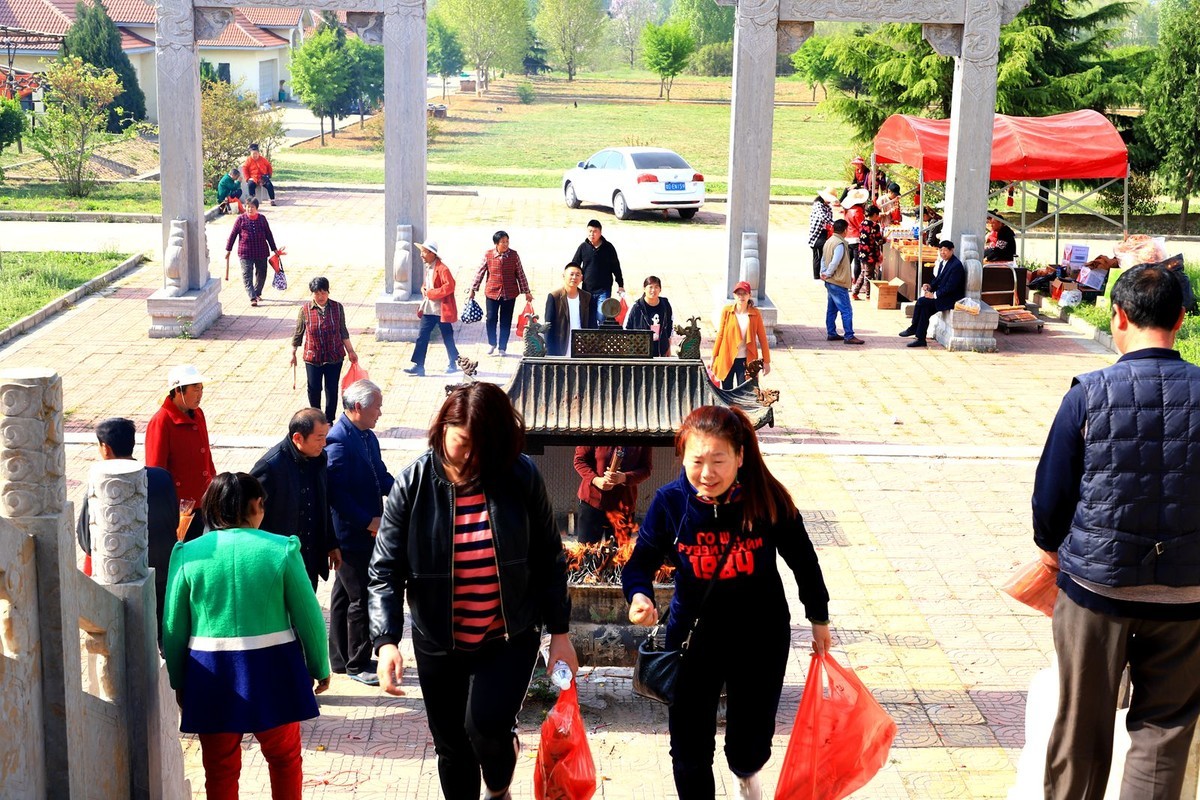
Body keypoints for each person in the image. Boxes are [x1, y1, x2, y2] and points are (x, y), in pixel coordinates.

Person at [1032, 264, 1200, 799]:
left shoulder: (1088, 393)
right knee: (1164, 732)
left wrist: (1050, 548)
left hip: (1096, 590)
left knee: (1081, 724)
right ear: (1180, 319)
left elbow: (1051, 494)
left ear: (1118, 315)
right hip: (1189, 596)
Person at [369, 382, 577, 800]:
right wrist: (386, 640)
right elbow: (384, 569)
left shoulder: (519, 476)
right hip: (437, 638)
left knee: (485, 727)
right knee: (451, 746)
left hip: (508, 634)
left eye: (484, 447)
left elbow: (549, 558)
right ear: (443, 428)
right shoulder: (412, 484)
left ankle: (498, 787)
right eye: (463, 442)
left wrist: (560, 633)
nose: (471, 456)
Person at [623, 405, 831, 800]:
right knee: (688, 751)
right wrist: (639, 595)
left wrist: (818, 617)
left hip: (760, 636)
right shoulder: (670, 503)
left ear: (740, 456)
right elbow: (639, 564)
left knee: (749, 746)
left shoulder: (765, 499)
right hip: (692, 640)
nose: (707, 473)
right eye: (697, 461)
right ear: (682, 457)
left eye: (718, 460)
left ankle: (745, 775)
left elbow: (803, 560)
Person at [163, 472, 330, 799]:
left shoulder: (187, 554)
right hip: (274, 671)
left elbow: (173, 628)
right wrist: (319, 666)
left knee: (219, 767)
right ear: (255, 504)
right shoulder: (281, 549)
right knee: (284, 759)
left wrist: (179, 682)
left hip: (210, 675)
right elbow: (309, 618)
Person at [76, 417, 180, 641]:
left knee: (126, 640)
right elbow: (174, 520)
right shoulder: (162, 477)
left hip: (120, 580)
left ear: (105, 448)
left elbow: (86, 539)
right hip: (164, 572)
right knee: (162, 634)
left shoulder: (100, 485)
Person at [326, 379, 394, 687]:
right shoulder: (338, 442)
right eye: (376, 407)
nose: (380, 412)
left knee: (344, 595)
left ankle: (341, 659)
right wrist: (368, 522)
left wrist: (404, 493)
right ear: (357, 408)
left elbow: (380, 475)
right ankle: (358, 662)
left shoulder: (366, 435)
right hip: (350, 534)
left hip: (365, 529)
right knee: (361, 598)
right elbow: (337, 495)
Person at [250, 408, 342, 590]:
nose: (324, 443)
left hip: (309, 559)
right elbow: (250, 517)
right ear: (298, 438)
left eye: (325, 437)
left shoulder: (319, 458)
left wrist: (331, 543)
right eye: (319, 438)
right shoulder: (270, 467)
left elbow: (323, 504)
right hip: (280, 562)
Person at [146, 364, 216, 541]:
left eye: (201, 389)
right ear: (178, 390)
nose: (200, 394)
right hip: (179, 509)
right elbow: (156, 470)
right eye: (195, 389)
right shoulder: (161, 421)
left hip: (203, 501)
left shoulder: (198, 414)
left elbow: (206, 455)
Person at [290, 276, 359, 423]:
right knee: (314, 389)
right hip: (313, 357)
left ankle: (329, 421)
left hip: (334, 356)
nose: (320, 297)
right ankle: (316, 419)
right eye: (317, 293)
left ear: (328, 292)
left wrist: (351, 351)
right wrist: (293, 353)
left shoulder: (337, 308)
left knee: (331, 388)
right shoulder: (305, 310)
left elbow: (342, 331)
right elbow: (298, 333)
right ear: (312, 294)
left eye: (323, 293)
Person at [469, 230, 534, 356]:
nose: (505, 244)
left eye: (507, 241)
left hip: (509, 294)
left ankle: (502, 347)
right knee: (491, 318)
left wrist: (527, 291)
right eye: (502, 242)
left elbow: (520, 273)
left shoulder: (514, 255)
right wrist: (472, 289)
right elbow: (480, 272)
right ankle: (492, 343)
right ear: (496, 244)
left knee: (506, 321)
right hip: (492, 293)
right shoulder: (488, 255)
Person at [572, 445, 653, 544]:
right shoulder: (594, 434)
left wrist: (624, 478)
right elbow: (579, 460)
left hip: (623, 505)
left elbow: (646, 469)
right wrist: (595, 480)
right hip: (592, 503)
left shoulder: (641, 440)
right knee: (587, 550)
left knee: (620, 552)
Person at [405, 240, 461, 377]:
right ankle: (419, 366)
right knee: (422, 336)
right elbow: (428, 284)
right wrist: (423, 288)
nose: (421, 255)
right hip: (429, 309)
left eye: (424, 252)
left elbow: (450, 286)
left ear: (432, 253)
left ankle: (453, 362)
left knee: (447, 336)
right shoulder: (429, 266)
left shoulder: (443, 269)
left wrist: (431, 293)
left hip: (441, 310)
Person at [899, 239, 965, 348]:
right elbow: (938, 279)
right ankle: (920, 339)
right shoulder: (943, 262)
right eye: (940, 250)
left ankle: (914, 328)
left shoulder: (956, 265)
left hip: (950, 298)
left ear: (951, 250)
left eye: (945, 250)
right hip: (942, 296)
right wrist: (930, 286)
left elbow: (951, 287)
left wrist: (934, 295)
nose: (942, 253)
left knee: (921, 301)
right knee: (924, 309)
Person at [711, 281, 772, 388]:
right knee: (727, 391)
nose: (741, 297)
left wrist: (766, 361)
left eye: (744, 293)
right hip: (727, 358)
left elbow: (762, 339)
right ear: (734, 295)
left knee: (745, 390)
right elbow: (720, 335)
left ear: (749, 295)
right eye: (738, 294)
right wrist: (713, 357)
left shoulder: (755, 314)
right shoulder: (727, 311)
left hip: (746, 360)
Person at [224, 197, 279, 307]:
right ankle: (252, 297)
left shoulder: (262, 219)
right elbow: (233, 235)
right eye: (248, 207)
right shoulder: (240, 219)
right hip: (245, 252)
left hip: (261, 251)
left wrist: (274, 249)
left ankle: (257, 293)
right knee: (247, 274)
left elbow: (269, 234)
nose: (250, 209)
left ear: (257, 208)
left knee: (262, 273)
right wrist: (228, 250)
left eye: (252, 207)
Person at [820, 221, 864, 346]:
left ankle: (831, 332)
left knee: (832, 309)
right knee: (846, 310)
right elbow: (835, 262)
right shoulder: (839, 243)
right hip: (838, 281)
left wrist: (823, 272)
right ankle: (849, 335)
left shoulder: (829, 241)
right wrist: (828, 273)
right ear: (845, 230)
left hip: (830, 281)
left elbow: (823, 259)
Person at [571, 219, 624, 320]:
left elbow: (616, 267)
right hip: (587, 289)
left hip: (604, 290)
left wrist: (620, 285)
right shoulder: (583, 247)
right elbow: (574, 265)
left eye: (595, 231)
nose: (592, 234)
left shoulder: (608, 248)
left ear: (600, 232)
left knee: (601, 315)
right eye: (590, 231)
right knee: (588, 317)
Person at [544, 263, 596, 357]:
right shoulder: (554, 297)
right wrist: (549, 352)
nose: (574, 277)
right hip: (560, 347)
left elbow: (592, 324)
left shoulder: (587, 298)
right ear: (564, 276)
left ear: (581, 278)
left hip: (582, 347)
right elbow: (548, 326)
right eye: (571, 274)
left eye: (577, 275)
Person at [623, 275, 674, 357]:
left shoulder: (665, 304)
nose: (653, 290)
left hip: (660, 350)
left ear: (660, 289)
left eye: (656, 287)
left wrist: (668, 348)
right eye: (650, 287)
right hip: (640, 351)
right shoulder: (636, 307)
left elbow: (670, 327)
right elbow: (626, 328)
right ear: (644, 289)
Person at [851, 205, 885, 301]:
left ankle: (855, 292)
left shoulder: (862, 223)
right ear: (874, 215)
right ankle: (868, 295)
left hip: (862, 251)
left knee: (864, 272)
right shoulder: (874, 226)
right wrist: (885, 239)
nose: (878, 217)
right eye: (877, 215)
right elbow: (878, 241)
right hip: (870, 253)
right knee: (868, 275)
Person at [806, 189, 836, 281]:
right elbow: (823, 217)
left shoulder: (828, 208)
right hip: (817, 235)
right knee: (818, 255)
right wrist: (834, 224)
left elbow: (829, 218)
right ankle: (817, 275)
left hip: (825, 233)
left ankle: (821, 274)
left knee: (823, 254)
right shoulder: (818, 205)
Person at [841, 188, 868, 280]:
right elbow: (861, 226)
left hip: (848, 237)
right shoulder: (858, 210)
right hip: (856, 238)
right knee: (857, 262)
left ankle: (846, 278)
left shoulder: (847, 209)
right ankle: (856, 280)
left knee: (848, 261)